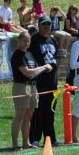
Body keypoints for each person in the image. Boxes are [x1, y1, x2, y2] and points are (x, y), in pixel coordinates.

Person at [10, 32, 52, 150]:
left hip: (33, 86)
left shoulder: (29, 54)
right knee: (20, 115)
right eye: (24, 40)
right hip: (21, 86)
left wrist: (43, 69)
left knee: (28, 117)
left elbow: (34, 72)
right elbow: (27, 72)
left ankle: (25, 142)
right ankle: (15, 144)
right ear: (18, 41)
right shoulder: (18, 55)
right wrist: (44, 67)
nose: (26, 43)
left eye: (28, 41)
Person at [29, 17, 60, 147]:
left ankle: (50, 138)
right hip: (39, 81)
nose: (47, 26)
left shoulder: (53, 40)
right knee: (38, 111)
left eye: (49, 24)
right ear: (39, 26)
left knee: (50, 111)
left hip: (52, 82)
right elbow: (29, 59)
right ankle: (35, 138)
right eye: (44, 24)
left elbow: (56, 58)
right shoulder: (34, 40)